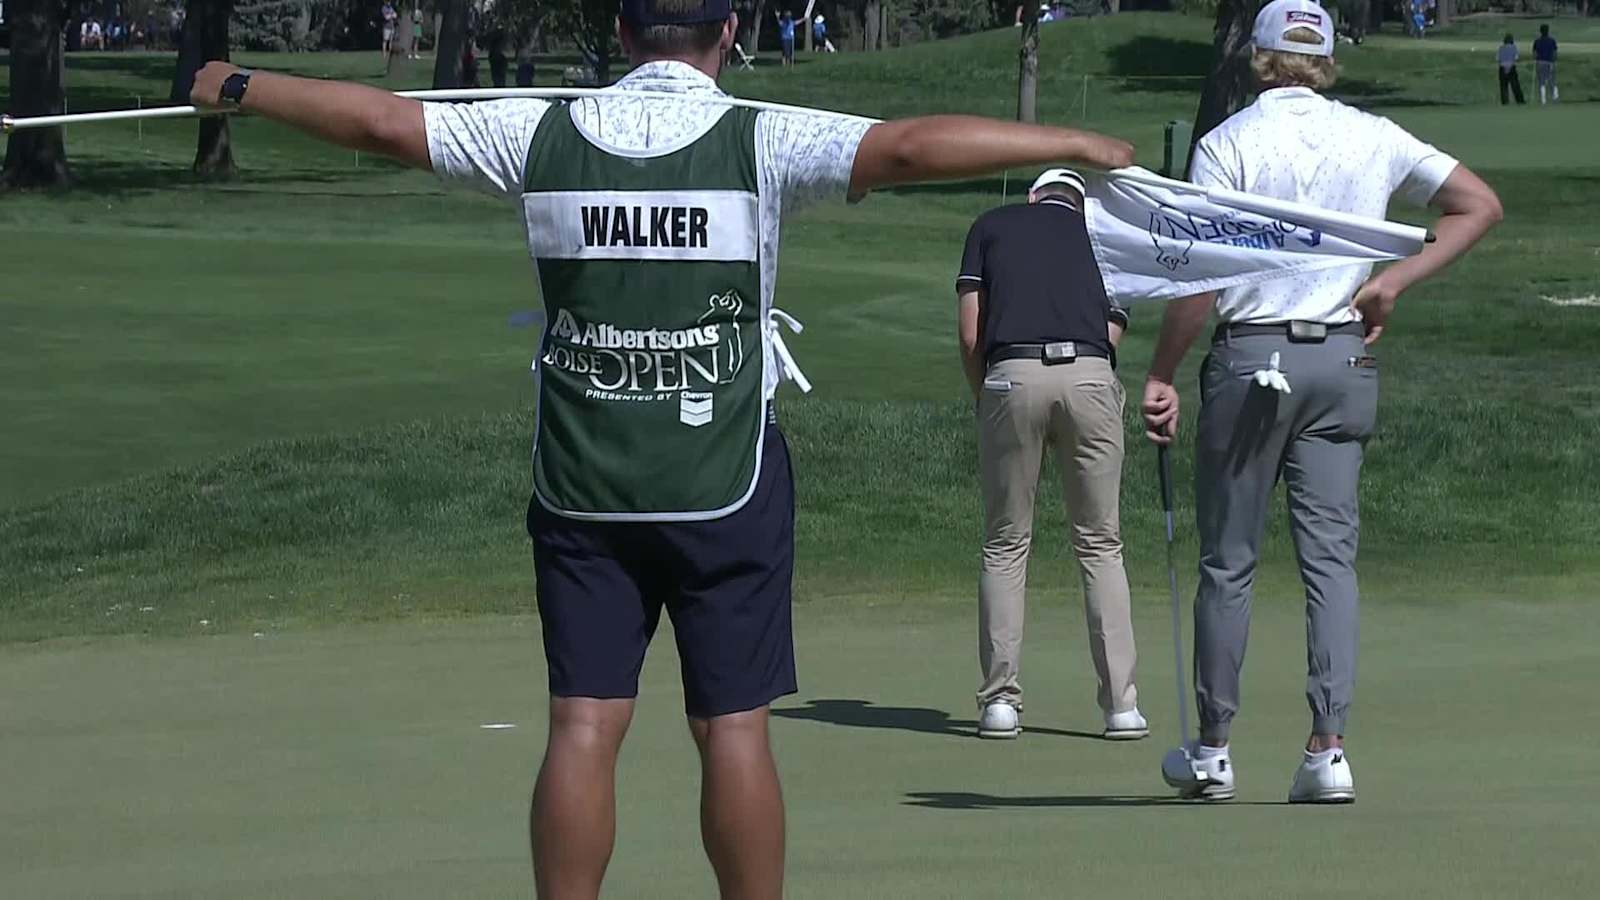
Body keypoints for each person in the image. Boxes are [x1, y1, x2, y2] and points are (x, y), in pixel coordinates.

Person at [185, 0, 1133, 893]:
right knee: (733, 731)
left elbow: (383, 123)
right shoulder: (761, 136)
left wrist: (240, 85)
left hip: (583, 484)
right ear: (730, 30)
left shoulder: (538, 131)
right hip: (726, 482)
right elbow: (910, 148)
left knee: (583, 726)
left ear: (621, 28)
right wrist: (1074, 144)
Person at [1143, 0, 1501, 804]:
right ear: (1327, 60)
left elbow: (1200, 273)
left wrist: (1162, 371)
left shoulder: (1228, 143)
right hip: (1342, 359)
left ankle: (1213, 750)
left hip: (1252, 358)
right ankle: (1327, 752)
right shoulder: (1373, 136)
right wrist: (1393, 282)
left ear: (1258, 58)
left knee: (1230, 561)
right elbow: (1478, 204)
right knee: (1330, 562)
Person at [957, 168, 1146, 742]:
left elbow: (971, 335)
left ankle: (1000, 702)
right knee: (1101, 543)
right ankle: (1121, 708)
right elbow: (1111, 333)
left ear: (1034, 195)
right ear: (1080, 204)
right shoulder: (1106, 237)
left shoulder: (991, 224)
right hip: (1090, 376)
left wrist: (985, 398)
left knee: (1006, 543)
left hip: (1011, 375)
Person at [1497, 33, 1525, 106]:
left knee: (1503, 86)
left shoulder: (1501, 48)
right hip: (1511, 67)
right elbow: (1516, 58)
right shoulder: (1514, 47)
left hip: (1502, 68)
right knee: (1515, 86)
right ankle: (1520, 101)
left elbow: (1498, 58)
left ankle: (1505, 101)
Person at [1533, 24, 1559, 105]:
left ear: (1540, 31)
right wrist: (1554, 60)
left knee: (1542, 81)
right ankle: (1555, 97)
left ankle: (1543, 100)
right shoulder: (1552, 41)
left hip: (1540, 62)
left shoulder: (1537, 41)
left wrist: (1535, 58)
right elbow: (1555, 53)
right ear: (1548, 31)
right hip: (1550, 62)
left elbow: (1534, 53)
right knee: (1552, 80)